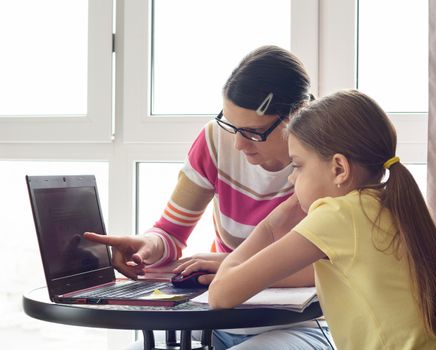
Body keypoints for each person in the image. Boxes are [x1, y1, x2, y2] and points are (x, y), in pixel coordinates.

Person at [84, 45, 332, 349]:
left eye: (253, 132)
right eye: (231, 126)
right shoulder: (216, 141)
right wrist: (146, 247)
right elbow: (170, 233)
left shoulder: (329, 165)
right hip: (216, 319)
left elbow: (329, 269)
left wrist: (231, 266)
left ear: (297, 114)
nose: (239, 144)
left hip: (303, 325)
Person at [206, 90, 436, 349]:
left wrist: (271, 225)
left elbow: (221, 294)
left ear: (339, 169)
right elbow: (297, 274)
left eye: (297, 165)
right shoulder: (385, 205)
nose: (291, 178)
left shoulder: (338, 215)